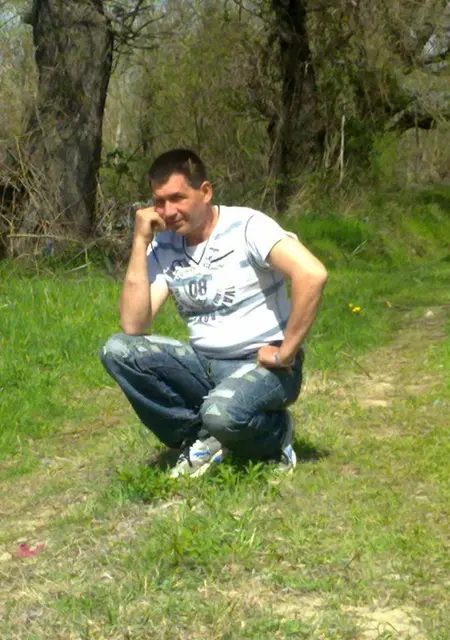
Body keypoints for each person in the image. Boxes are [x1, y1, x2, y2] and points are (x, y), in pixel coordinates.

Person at [101, 149, 327, 478]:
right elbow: (134, 325)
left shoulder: (248, 226)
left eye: (177, 198)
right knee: (118, 350)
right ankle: (203, 437)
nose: (168, 211)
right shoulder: (165, 245)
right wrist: (140, 241)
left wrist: (286, 353)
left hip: (265, 366)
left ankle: (275, 434)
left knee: (222, 413)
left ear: (205, 192)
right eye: (159, 201)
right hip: (205, 364)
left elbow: (312, 274)